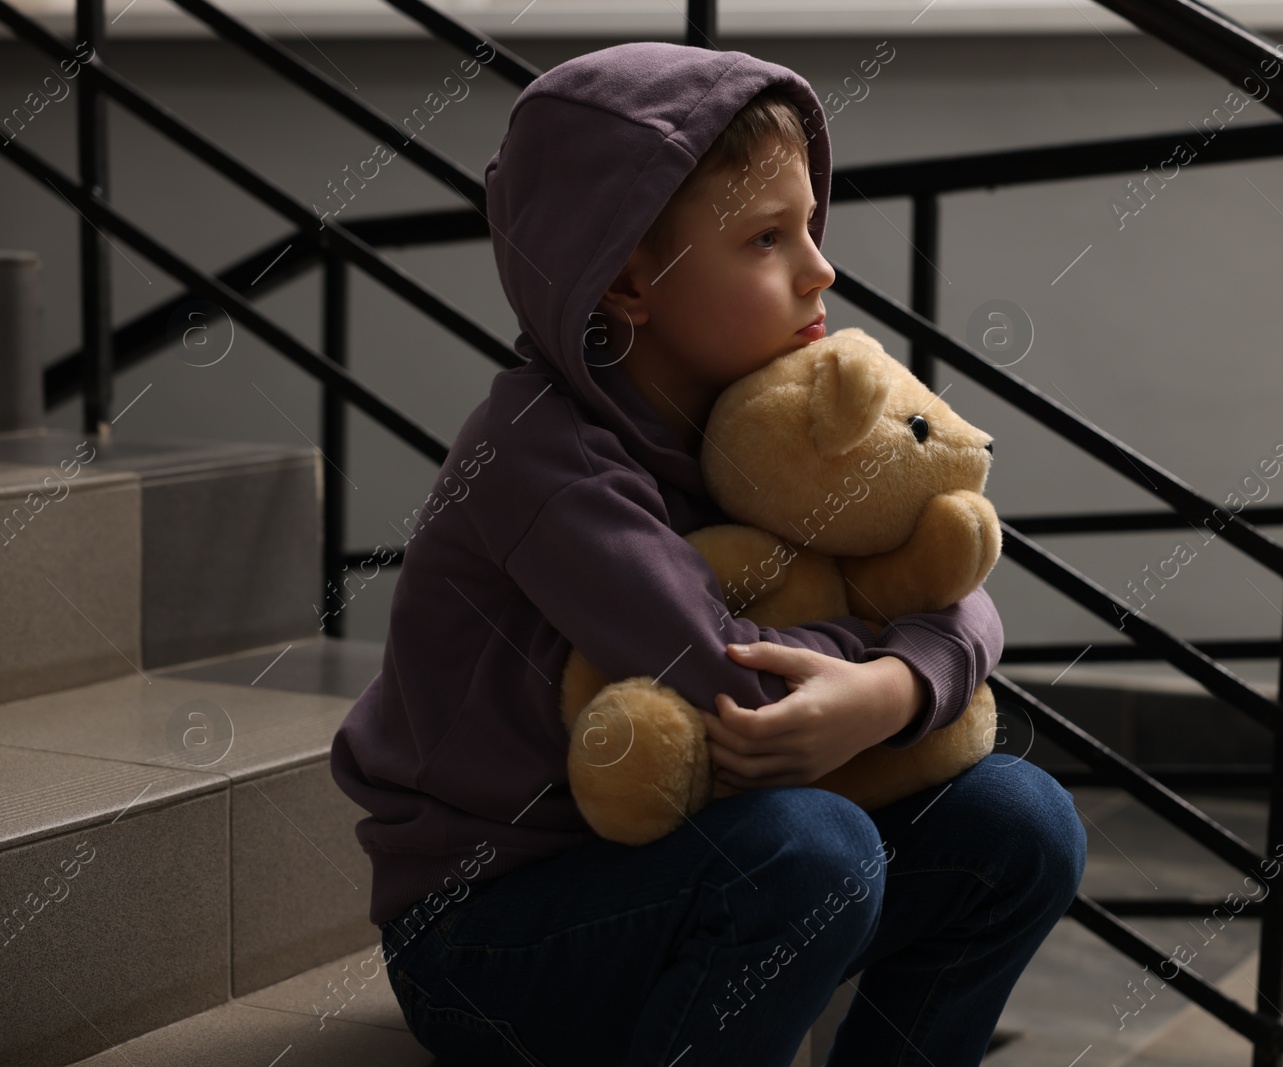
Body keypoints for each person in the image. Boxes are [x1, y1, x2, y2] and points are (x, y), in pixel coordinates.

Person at [330, 40, 1087, 1067]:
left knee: (1022, 819)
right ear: (628, 279)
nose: (820, 267)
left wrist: (897, 688)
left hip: (683, 866)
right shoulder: (539, 456)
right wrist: (877, 656)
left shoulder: (773, 411)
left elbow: (946, 568)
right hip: (494, 934)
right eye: (767, 238)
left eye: (811, 226)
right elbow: (731, 676)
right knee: (811, 851)